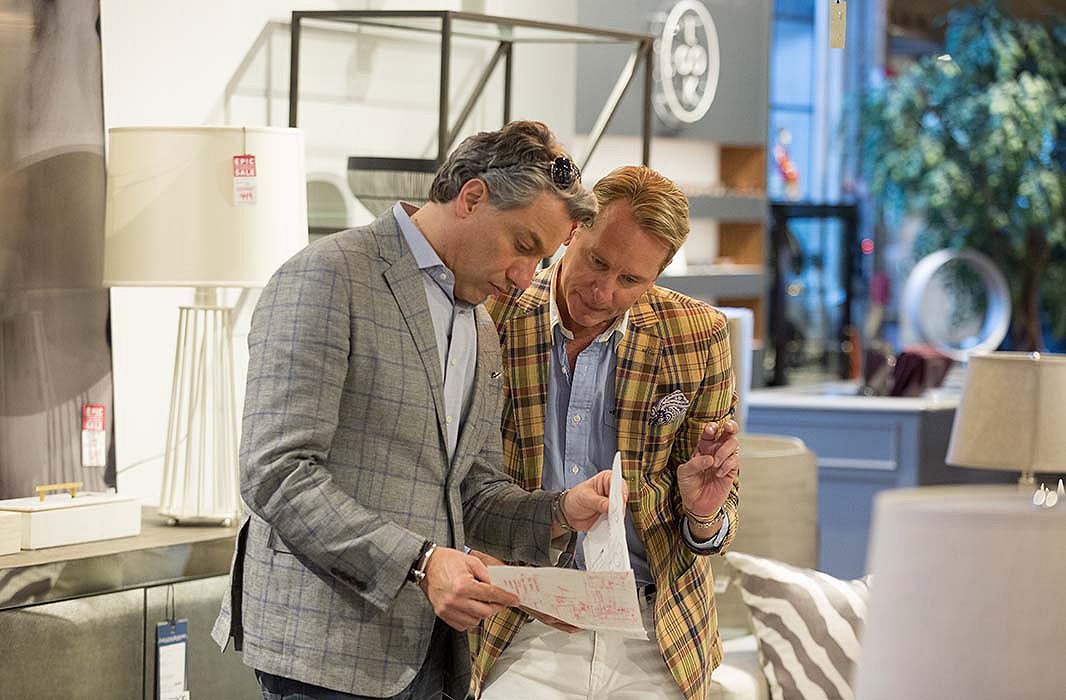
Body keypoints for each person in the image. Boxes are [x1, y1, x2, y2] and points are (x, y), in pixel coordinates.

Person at [212, 121, 621, 700]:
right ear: (471, 196)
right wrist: (422, 564)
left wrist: (558, 513)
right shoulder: (327, 275)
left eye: (543, 259)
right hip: (325, 650)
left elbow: (470, 490)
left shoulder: (480, 323)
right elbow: (277, 471)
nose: (526, 278)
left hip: (434, 650)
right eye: (523, 245)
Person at [471, 165, 741, 700]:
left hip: (652, 630)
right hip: (522, 620)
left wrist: (705, 513)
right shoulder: (490, 312)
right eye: (597, 262)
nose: (601, 291)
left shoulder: (697, 335)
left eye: (630, 281)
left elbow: (720, 521)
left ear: (658, 275)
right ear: (574, 231)